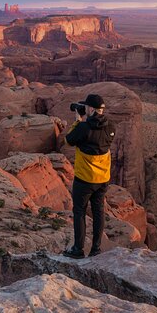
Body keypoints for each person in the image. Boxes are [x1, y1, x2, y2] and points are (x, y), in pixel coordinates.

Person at [63, 93, 116, 259]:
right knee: (98, 211)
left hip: (85, 179)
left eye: (86, 107)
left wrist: (78, 120)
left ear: (91, 109)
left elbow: (69, 141)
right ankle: (96, 249)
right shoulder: (111, 127)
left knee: (79, 212)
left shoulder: (84, 128)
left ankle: (78, 249)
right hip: (103, 179)